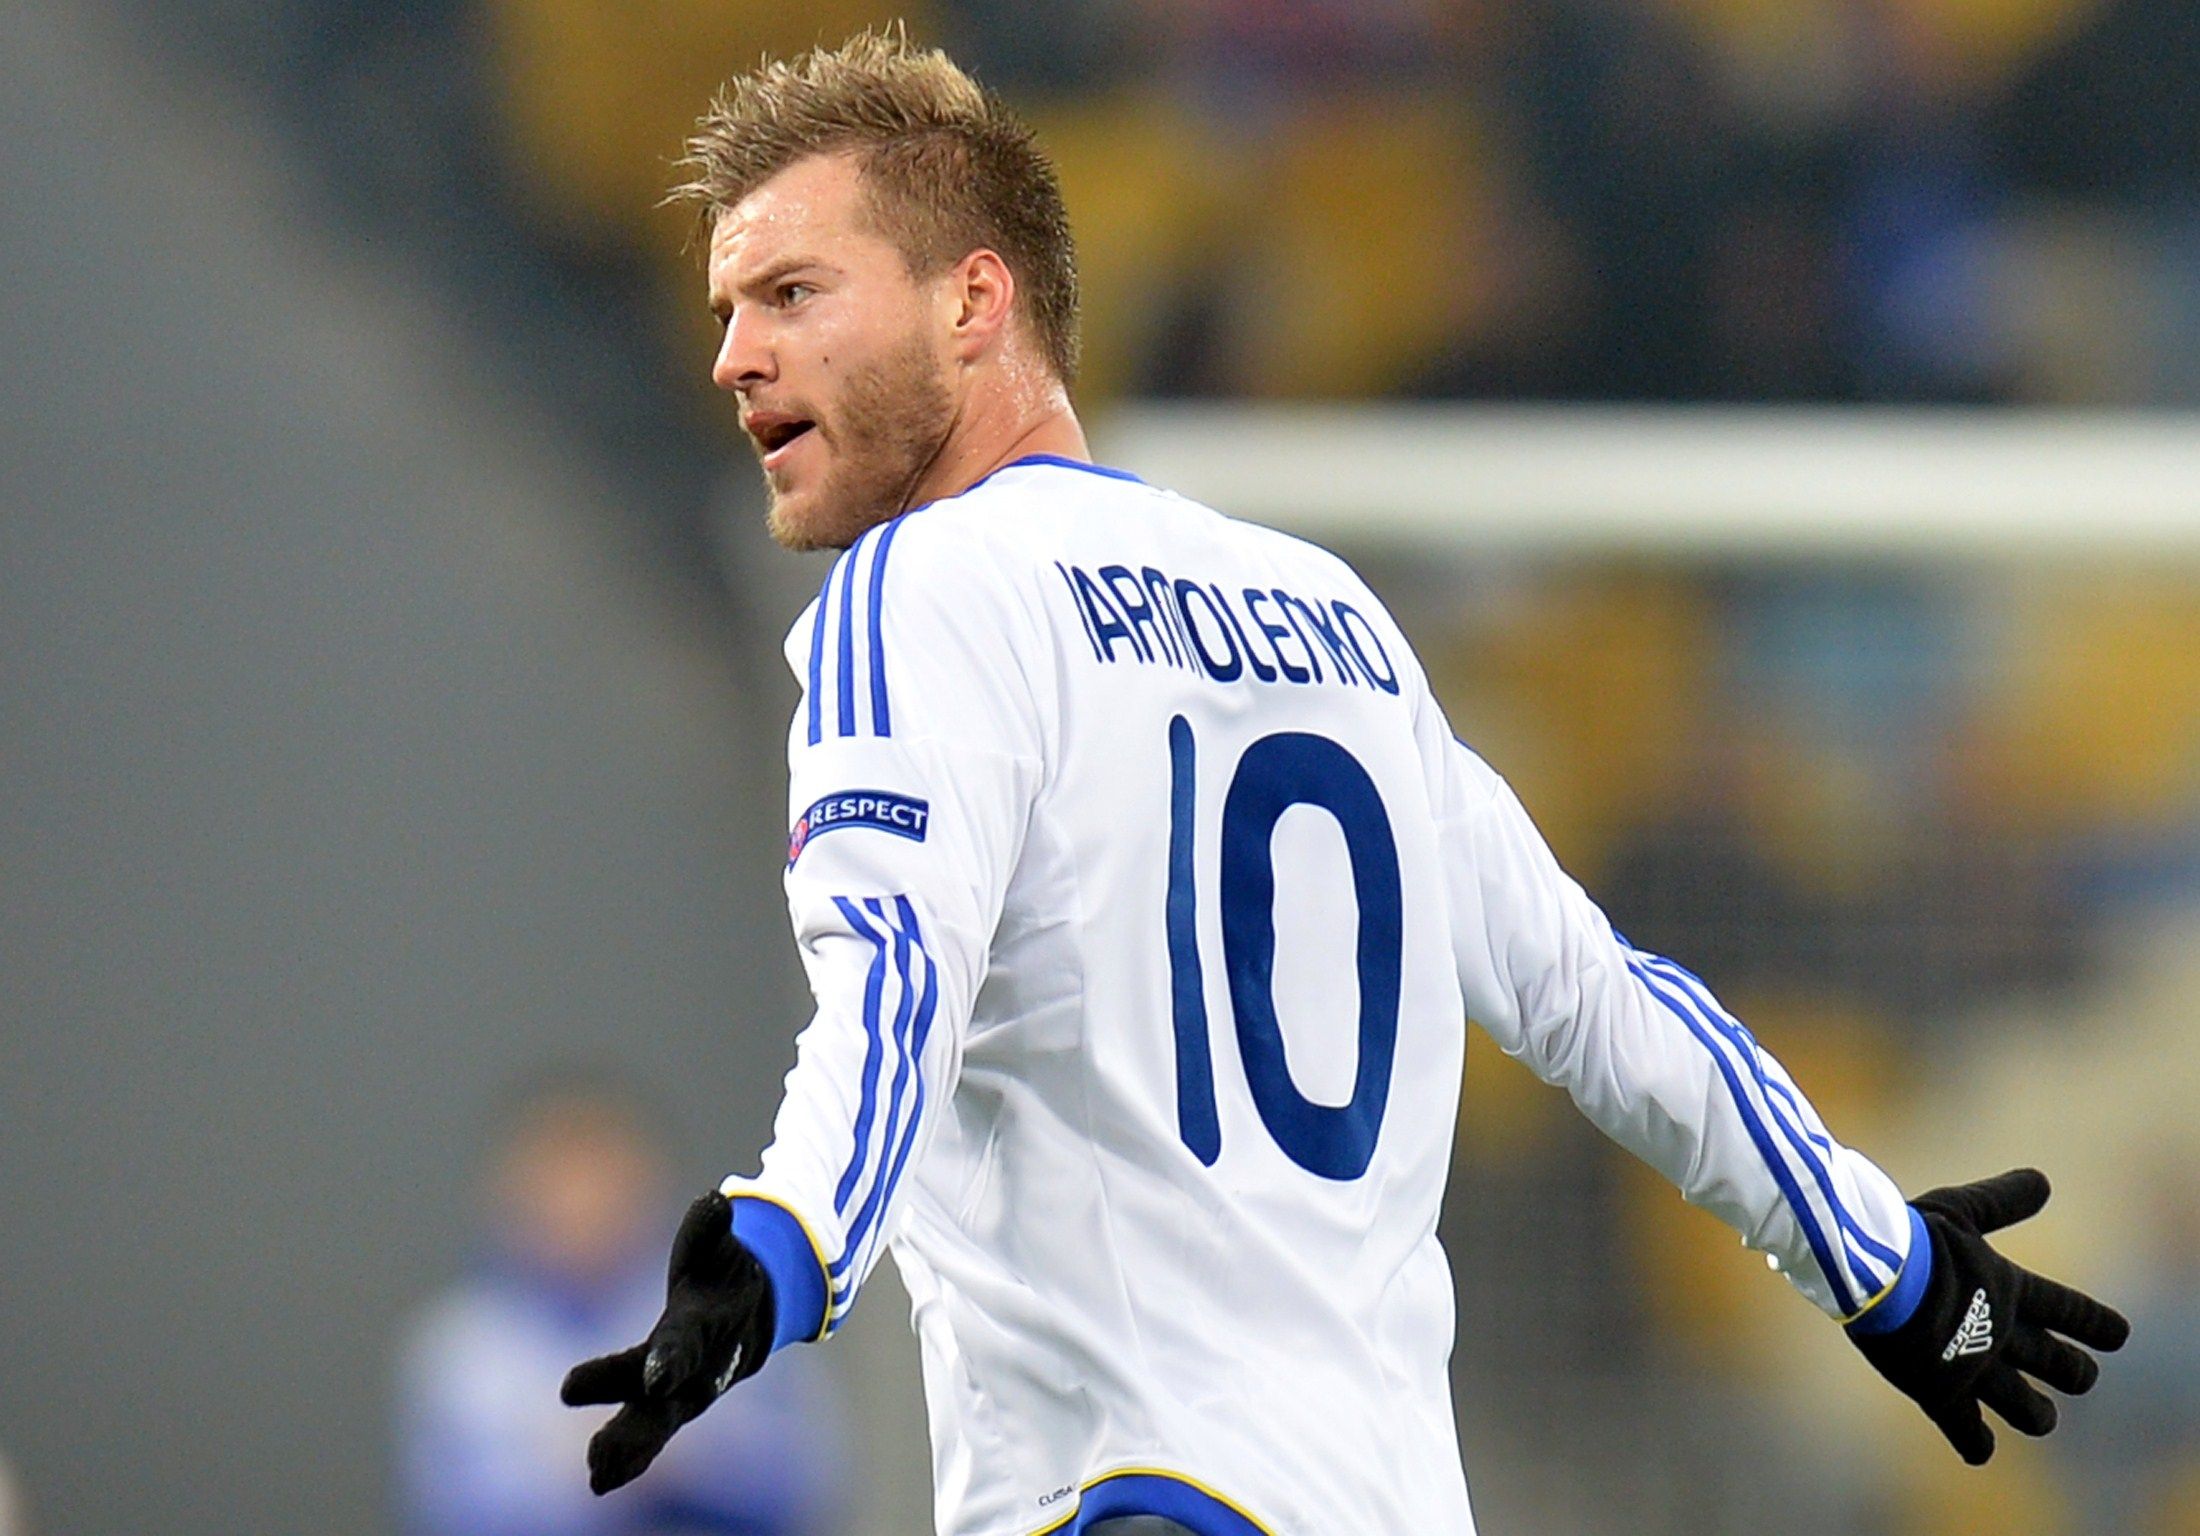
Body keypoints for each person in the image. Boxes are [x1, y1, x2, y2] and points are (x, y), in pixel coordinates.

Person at [559, 31, 2128, 1536]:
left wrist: (781, 1245)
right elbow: (1600, 1002)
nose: (735, 357)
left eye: (793, 293)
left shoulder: (927, 590)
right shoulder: (1333, 620)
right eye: (727, 310)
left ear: (974, 299)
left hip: (1138, 1494)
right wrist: (1893, 1267)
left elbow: (898, 978)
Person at [399, 1071, 848, 1536]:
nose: (582, 1201)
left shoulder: (722, 1307)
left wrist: (690, 1463)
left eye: (601, 1176)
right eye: (559, 1179)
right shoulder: (464, 1350)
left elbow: (807, 1478)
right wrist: (583, 1473)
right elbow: (450, 1508)